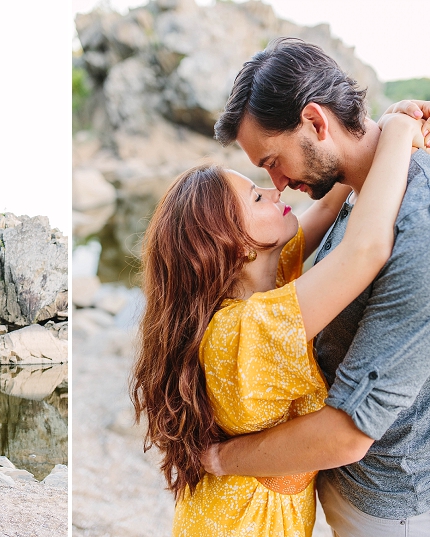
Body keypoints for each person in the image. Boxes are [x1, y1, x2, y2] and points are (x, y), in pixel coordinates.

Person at [130, 93, 426, 536]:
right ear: (233, 245)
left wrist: (378, 130)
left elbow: (329, 204)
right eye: (256, 196)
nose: (275, 189)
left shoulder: (269, 273)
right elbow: (364, 249)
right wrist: (401, 133)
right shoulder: (248, 330)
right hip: (244, 523)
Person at [198, 37, 430, 536]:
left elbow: (349, 433)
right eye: (262, 181)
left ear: (316, 123)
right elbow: (357, 243)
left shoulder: (417, 223)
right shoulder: (346, 194)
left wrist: (221, 459)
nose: (277, 186)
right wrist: (392, 130)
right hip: (327, 484)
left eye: (272, 162)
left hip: (389, 504)